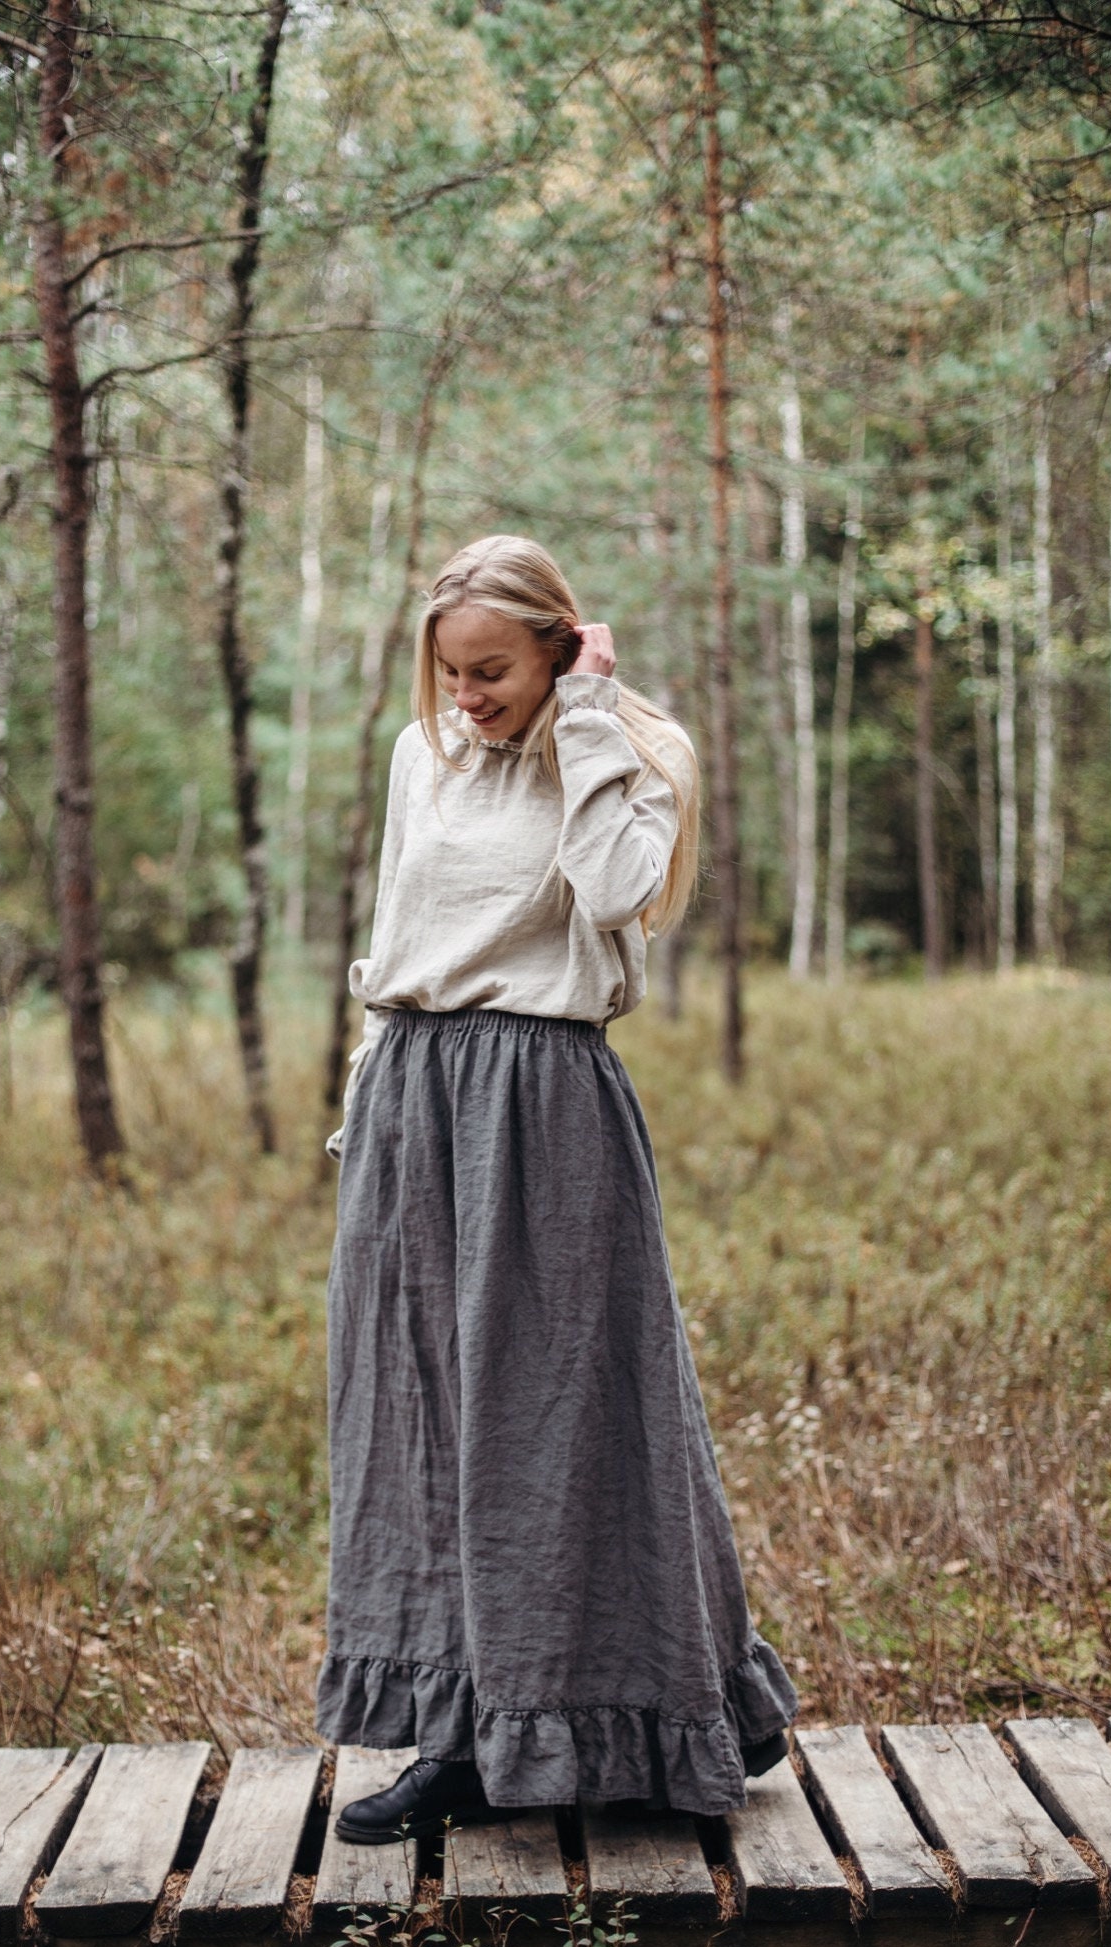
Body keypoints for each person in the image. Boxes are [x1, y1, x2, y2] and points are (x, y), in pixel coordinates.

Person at [318, 534, 797, 1844]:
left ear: (558, 645)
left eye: (491, 672)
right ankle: (467, 1733)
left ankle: (669, 1707)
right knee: (422, 1420)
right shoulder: (423, 755)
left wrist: (584, 720)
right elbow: (398, 935)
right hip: (415, 1101)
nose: (465, 697)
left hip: (545, 1107)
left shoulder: (636, 749)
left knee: (572, 1420)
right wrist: (367, 1103)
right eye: (448, 673)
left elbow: (616, 890)